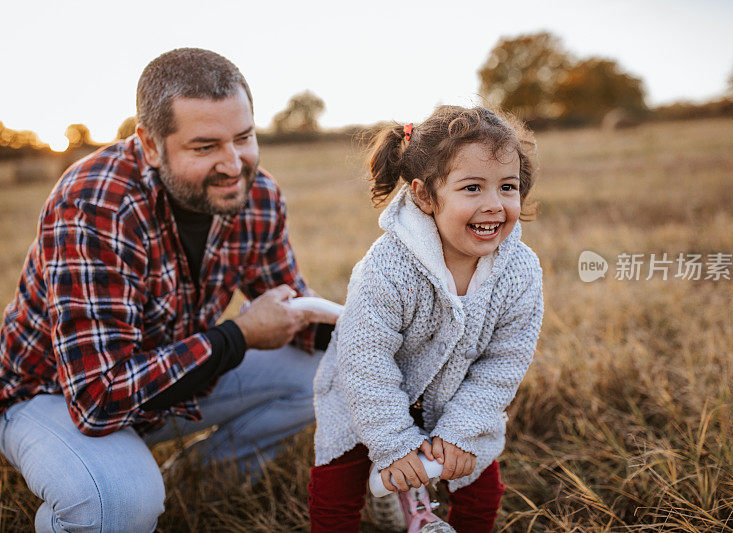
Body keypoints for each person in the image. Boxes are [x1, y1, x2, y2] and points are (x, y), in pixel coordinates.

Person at [0, 48, 338, 532]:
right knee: (116, 505)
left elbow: (294, 311)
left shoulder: (257, 195)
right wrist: (238, 336)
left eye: (243, 137)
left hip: (171, 372)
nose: (233, 163)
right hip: (52, 394)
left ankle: (191, 487)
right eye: (205, 147)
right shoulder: (96, 206)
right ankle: (117, 493)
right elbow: (98, 398)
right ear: (151, 146)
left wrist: (377, 337)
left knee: (331, 370)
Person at [307, 106, 545, 532]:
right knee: (336, 486)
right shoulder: (388, 268)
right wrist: (395, 444)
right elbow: (365, 362)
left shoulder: (520, 271)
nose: (494, 205)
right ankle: (387, 495)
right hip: (368, 398)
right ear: (424, 195)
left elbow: (504, 363)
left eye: (507, 187)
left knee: (481, 487)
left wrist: (459, 432)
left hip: (454, 402)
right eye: (472, 187)